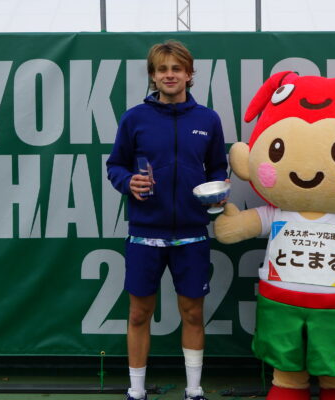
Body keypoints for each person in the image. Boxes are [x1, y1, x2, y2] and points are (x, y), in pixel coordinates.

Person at [106, 40, 228, 400]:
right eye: (162, 69)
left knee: (192, 313)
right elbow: (115, 165)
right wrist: (129, 182)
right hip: (145, 233)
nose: (169, 75)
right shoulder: (134, 118)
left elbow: (217, 165)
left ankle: (194, 391)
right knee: (139, 313)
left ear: (189, 75)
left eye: (177, 69)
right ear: (153, 76)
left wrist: (220, 185)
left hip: (192, 233)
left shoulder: (208, 119)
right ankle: (137, 392)